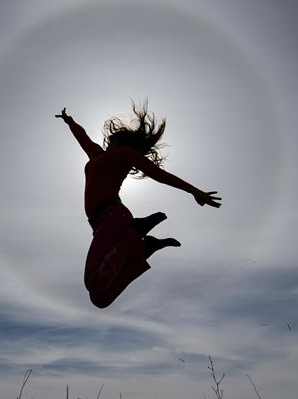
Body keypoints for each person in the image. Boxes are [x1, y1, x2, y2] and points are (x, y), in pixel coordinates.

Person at [56, 103, 221, 308]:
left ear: (121, 139)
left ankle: (137, 231)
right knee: (100, 298)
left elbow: (159, 175)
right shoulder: (97, 155)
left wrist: (194, 191)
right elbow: (83, 138)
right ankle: (146, 248)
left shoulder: (125, 153)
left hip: (112, 215)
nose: (109, 138)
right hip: (100, 223)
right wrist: (70, 121)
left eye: (114, 136)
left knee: (92, 280)